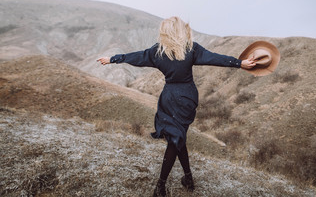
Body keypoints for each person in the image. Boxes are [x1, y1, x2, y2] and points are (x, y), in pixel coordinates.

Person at [97, 16, 255, 197]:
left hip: (169, 98)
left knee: (175, 138)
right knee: (178, 138)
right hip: (187, 97)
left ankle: (161, 187)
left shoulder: (157, 52)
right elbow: (215, 58)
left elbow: (136, 57)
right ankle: (186, 179)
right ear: (182, 30)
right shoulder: (191, 49)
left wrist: (113, 59)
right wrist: (239, 63)